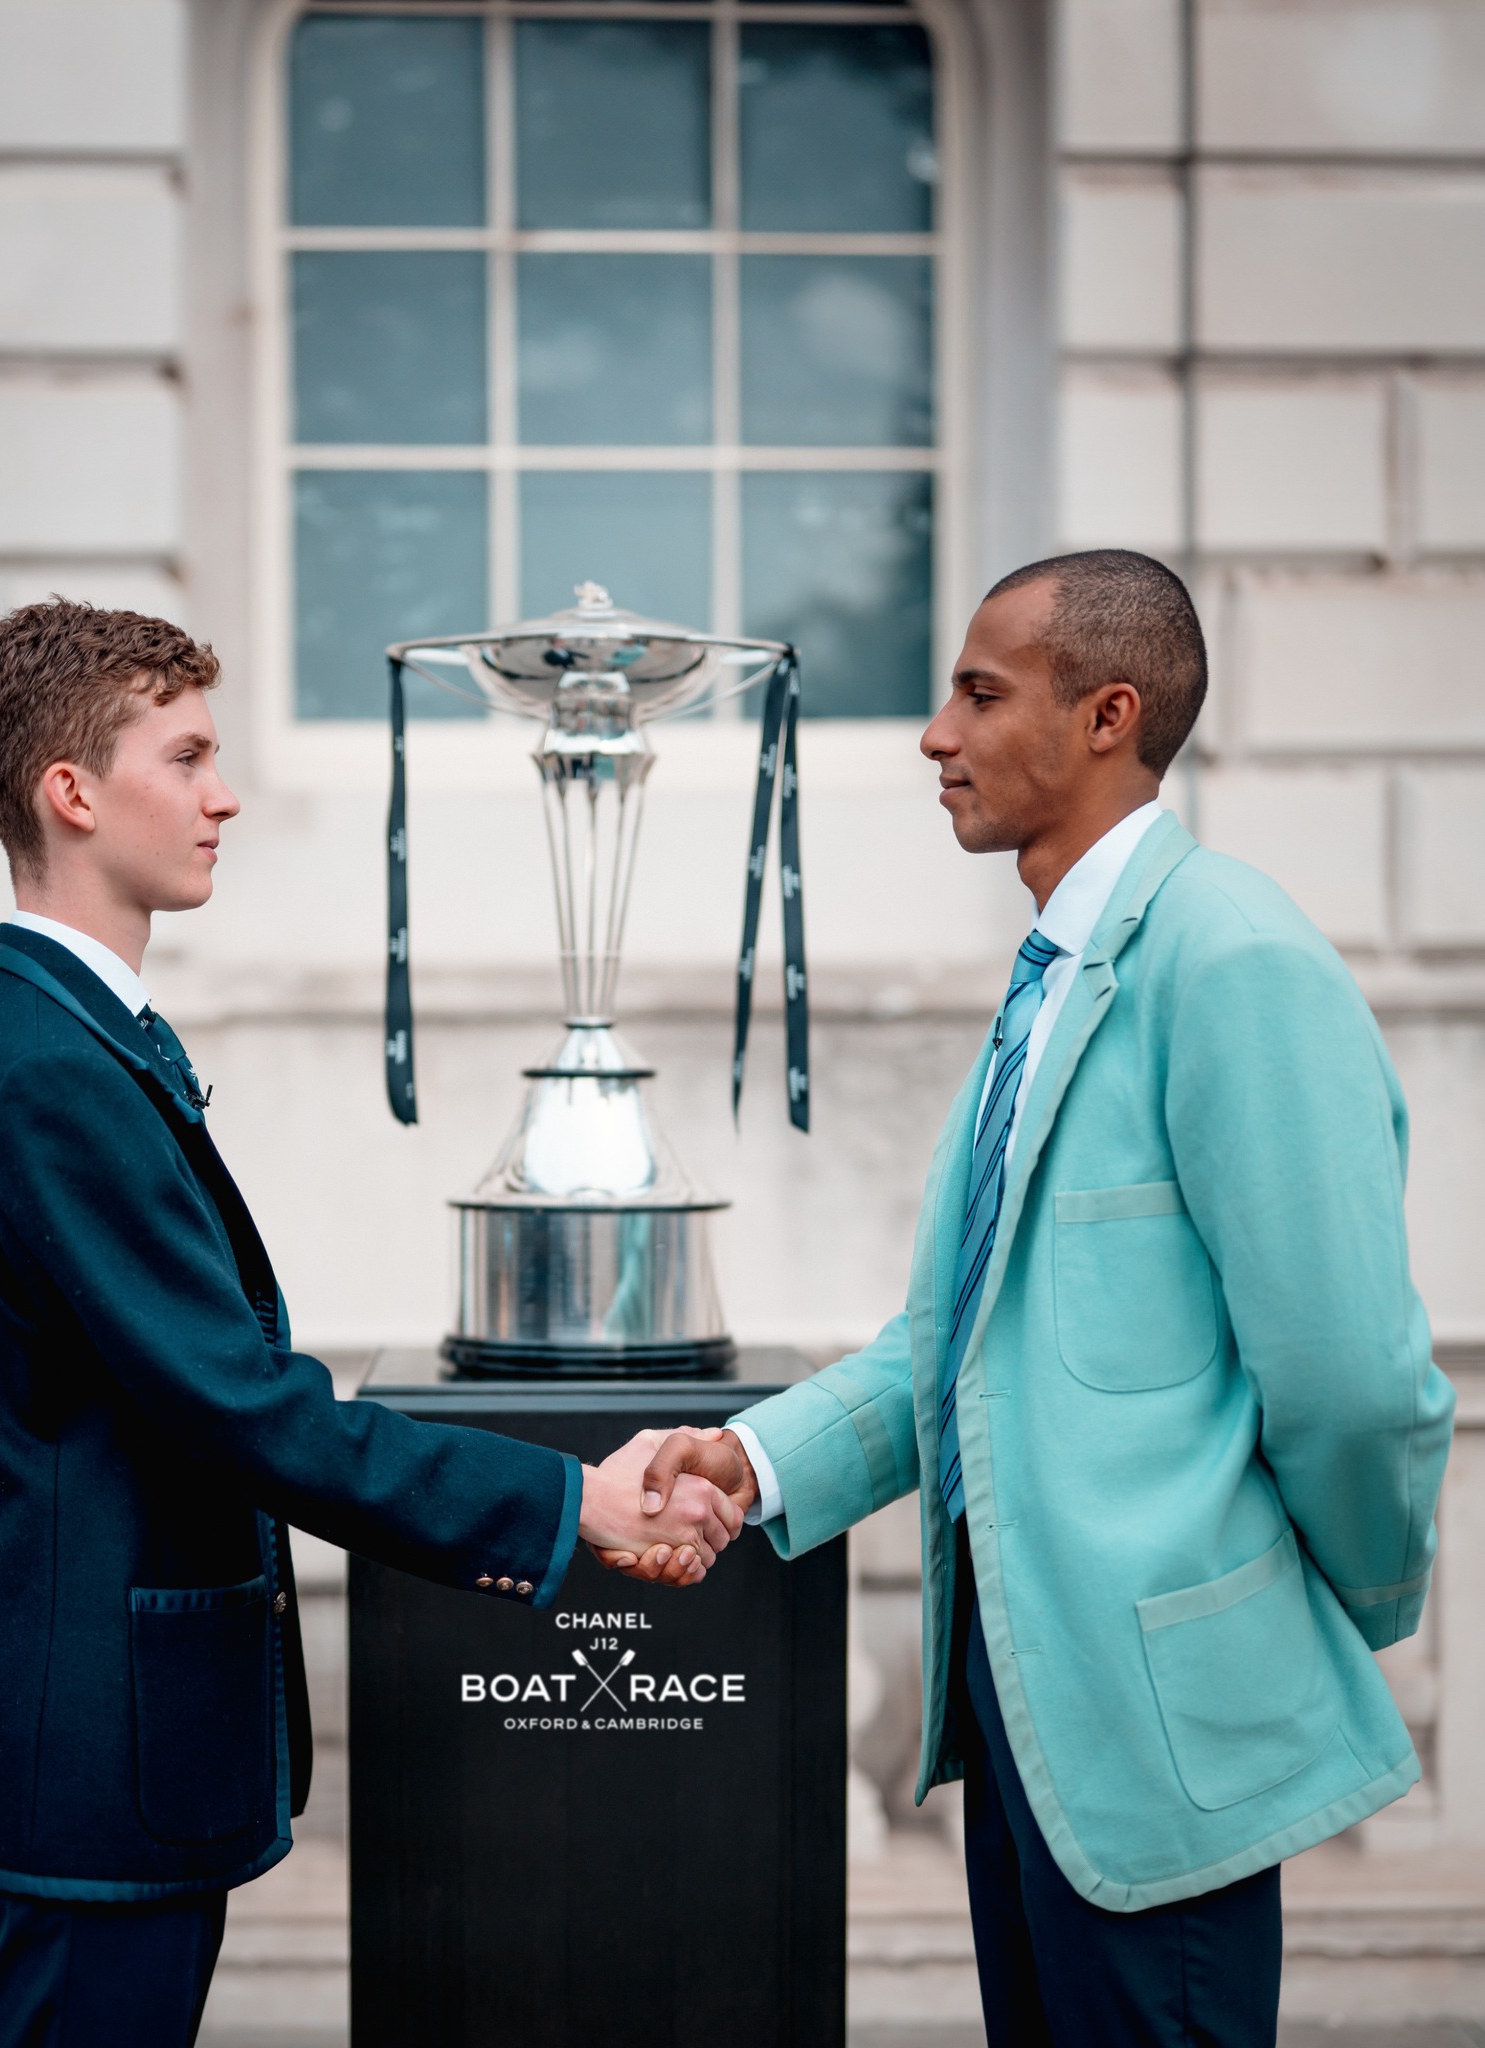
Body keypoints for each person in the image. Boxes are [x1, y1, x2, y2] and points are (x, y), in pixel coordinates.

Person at [612, 550, 1456, 2046]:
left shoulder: (1235, 957)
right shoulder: (1052, 974)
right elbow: (963, 1344)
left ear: (1106, 716)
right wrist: (752, 1459)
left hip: (1162, 1724)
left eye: (980, 695)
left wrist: (1336, 1604)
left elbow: (1350, 1377)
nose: (935, 734)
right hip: (1021, 1706)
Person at [0, 600, 737, 2048]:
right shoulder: (48, 1069)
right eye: (186, 758)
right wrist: (568, 1502)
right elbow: (241, 1406)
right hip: (87, 1745)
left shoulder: (68, 1036)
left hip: (93, 1738)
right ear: (72, 792)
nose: (223, 796)